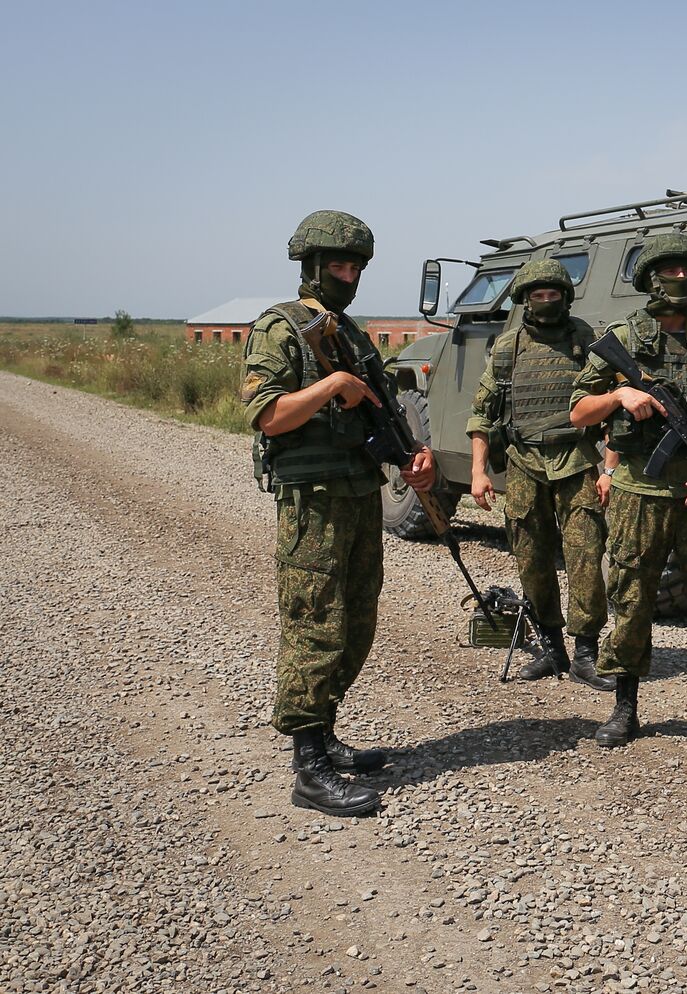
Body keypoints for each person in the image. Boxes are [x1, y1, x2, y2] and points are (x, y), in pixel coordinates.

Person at [241, 210, 436, 817]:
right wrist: (330, 388)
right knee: (315, 623)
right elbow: (267, 415)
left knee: (356, 622)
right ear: (313, 267)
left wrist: (415, 457)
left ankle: (325, 734)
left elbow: (381, 413)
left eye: (355, 266)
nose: (347, 275)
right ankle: (308, 766)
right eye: (338, 266)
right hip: (313, 500)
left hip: (357, 496)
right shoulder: (280, 329)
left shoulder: (349, 334)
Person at [570, 232, 687, 750]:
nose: (678, 279)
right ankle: (625, 706)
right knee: (631, 595)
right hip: (638, 489)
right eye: (668, 270)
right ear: (650, 277)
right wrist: (619, 393)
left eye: (686, 270)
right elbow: (578, 410)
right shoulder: (624, 337)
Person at [465, 259, 613, 691]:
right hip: (524, 462)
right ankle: (552, 648)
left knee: (586, 556)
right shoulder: (508, 348)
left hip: (576, 461)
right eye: (537, 295)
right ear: (525, 300)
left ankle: (586, 652)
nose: (545, 302)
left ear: (565, 297)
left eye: (553, 294)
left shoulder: (587, 340)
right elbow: (480, 413)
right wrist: (478, 472)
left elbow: (615, 409)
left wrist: (609, 468)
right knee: (531, 559)